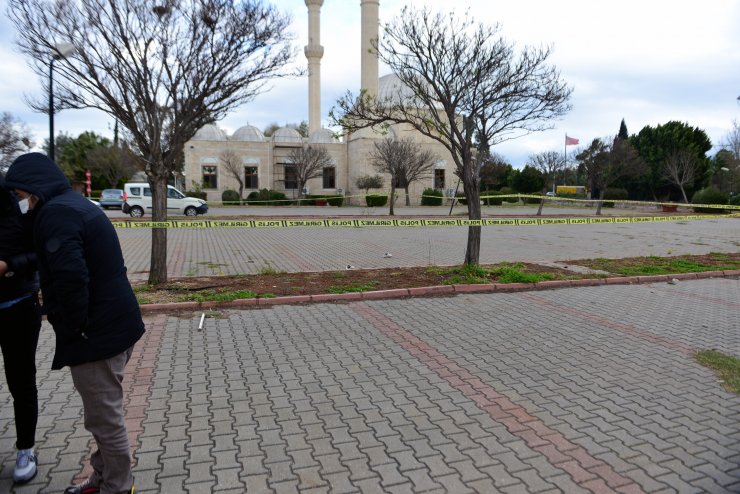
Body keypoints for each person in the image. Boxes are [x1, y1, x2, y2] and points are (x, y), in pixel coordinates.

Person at [5, 153, 145, 494]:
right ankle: (102, 477)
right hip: (114, 324)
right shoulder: (70, 205)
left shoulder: (56, 215)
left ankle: (117, 486)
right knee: (101, 414)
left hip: (98, 333)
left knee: (105, 419)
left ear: (36, 189)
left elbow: (71, 279)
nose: (22, 203)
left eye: (22, 195)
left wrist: (75, 329)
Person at [0, 173, 41, 484]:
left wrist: (8, 265)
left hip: (18, 306)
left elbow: (38, 254)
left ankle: (25, 448)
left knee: (21, 381)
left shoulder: (13, 200)